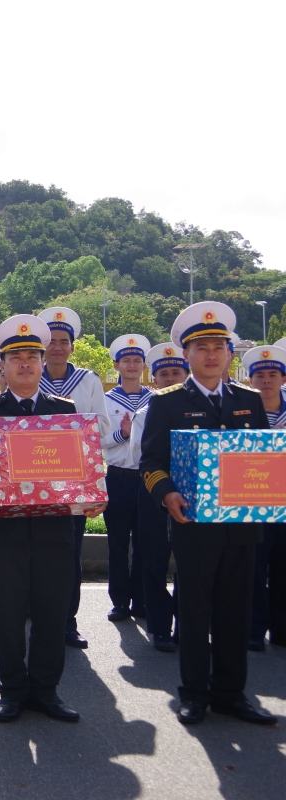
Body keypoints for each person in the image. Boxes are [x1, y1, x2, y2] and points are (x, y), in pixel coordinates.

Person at [140, 302, 276, 726]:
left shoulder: (250, 401)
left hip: (241, 527)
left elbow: (266, 461)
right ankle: (194, 693)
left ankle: (232, 693)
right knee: (195, 612)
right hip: (193, 525)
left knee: (236, 611)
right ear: (188, 356)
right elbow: (151, 463)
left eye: (219, 346)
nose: (211, 354)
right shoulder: (167, 403)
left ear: (231, 355)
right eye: (202, 348)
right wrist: (167, 495)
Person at [0, 314, 97, 723]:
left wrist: (92, 494)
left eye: (32, 356)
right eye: (15, 356)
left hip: (57, 529)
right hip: (6, 530)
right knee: (9, 612)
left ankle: (46, 690)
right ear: (1, 365)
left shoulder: (65, 411)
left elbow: (85, 468)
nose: (25, 363)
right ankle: (13, 689)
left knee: (53, 613)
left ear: (42, 362)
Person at [38, 306, 110, 649]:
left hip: (72, 482)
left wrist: (72, 431)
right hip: (32, 481)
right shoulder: (28, 376)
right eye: (50, 341)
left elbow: (104, 426)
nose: (56, 347)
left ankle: (68, 620)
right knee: (33, 550)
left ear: (72, 346)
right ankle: (36, 615)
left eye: (63, 341)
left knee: (70, 552)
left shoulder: (89, 380)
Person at [128, 343, 188, 652]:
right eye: (163, 374)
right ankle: (161, 627)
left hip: (194, 497)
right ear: (154, 380)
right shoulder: (144, 412)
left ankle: (186, 625)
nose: (169, 378)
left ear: (186, 374)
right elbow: (142, 457)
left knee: (190, 566)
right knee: (154, 561)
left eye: (176, 372)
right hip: (154, 492)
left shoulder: (198, 410)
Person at [101, 334, 153, 624]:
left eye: (137, 360)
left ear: (144, 365)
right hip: (119, 478)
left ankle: (141, 598)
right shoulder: (107, 401)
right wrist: (122, 433)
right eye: (126, 360)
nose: (132, 365)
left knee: (146, 542)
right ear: (116, 365)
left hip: (148, 478)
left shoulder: (156, 400)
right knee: (118, 543)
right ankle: (119, 601)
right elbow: (98, 441)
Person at [242, 344, 286, 651]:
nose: (267, 381)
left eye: (273, 374)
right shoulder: (241, 412)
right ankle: (254, 629)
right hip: (252, 501)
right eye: (260, 375)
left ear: (283, 379)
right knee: (253, 569)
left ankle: (282, 630)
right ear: (250, 380)